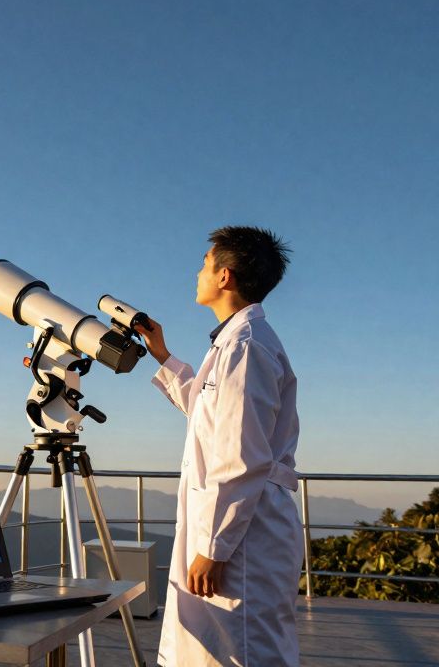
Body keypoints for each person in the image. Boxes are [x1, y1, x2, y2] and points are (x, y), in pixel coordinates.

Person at [134, 225, 302, 667]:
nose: (198, 272)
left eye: (204, 265)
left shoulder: (245, 348)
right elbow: (209, 412)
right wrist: (163, 355)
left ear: (224, 276)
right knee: (221, 648)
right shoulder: (235, 344)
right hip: (234, 524)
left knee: (243, 651)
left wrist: (214, 547)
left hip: (243, 535)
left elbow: (240, 456)